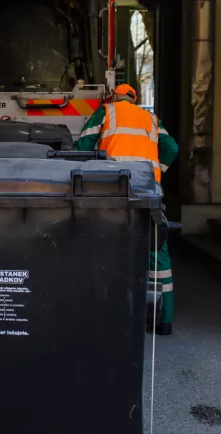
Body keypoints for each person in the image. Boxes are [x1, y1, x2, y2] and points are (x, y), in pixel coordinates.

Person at [75, 83, 180, 335]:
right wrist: (156, 173)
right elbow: (172, 148)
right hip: (148, 190)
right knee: (156, 250)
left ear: (114, 97)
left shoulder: (106, 112)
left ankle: (107, 316)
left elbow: (82, 149)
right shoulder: (151, 118)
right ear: (134, 99)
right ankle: (163, 321)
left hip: (112, 191)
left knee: (107, 246)